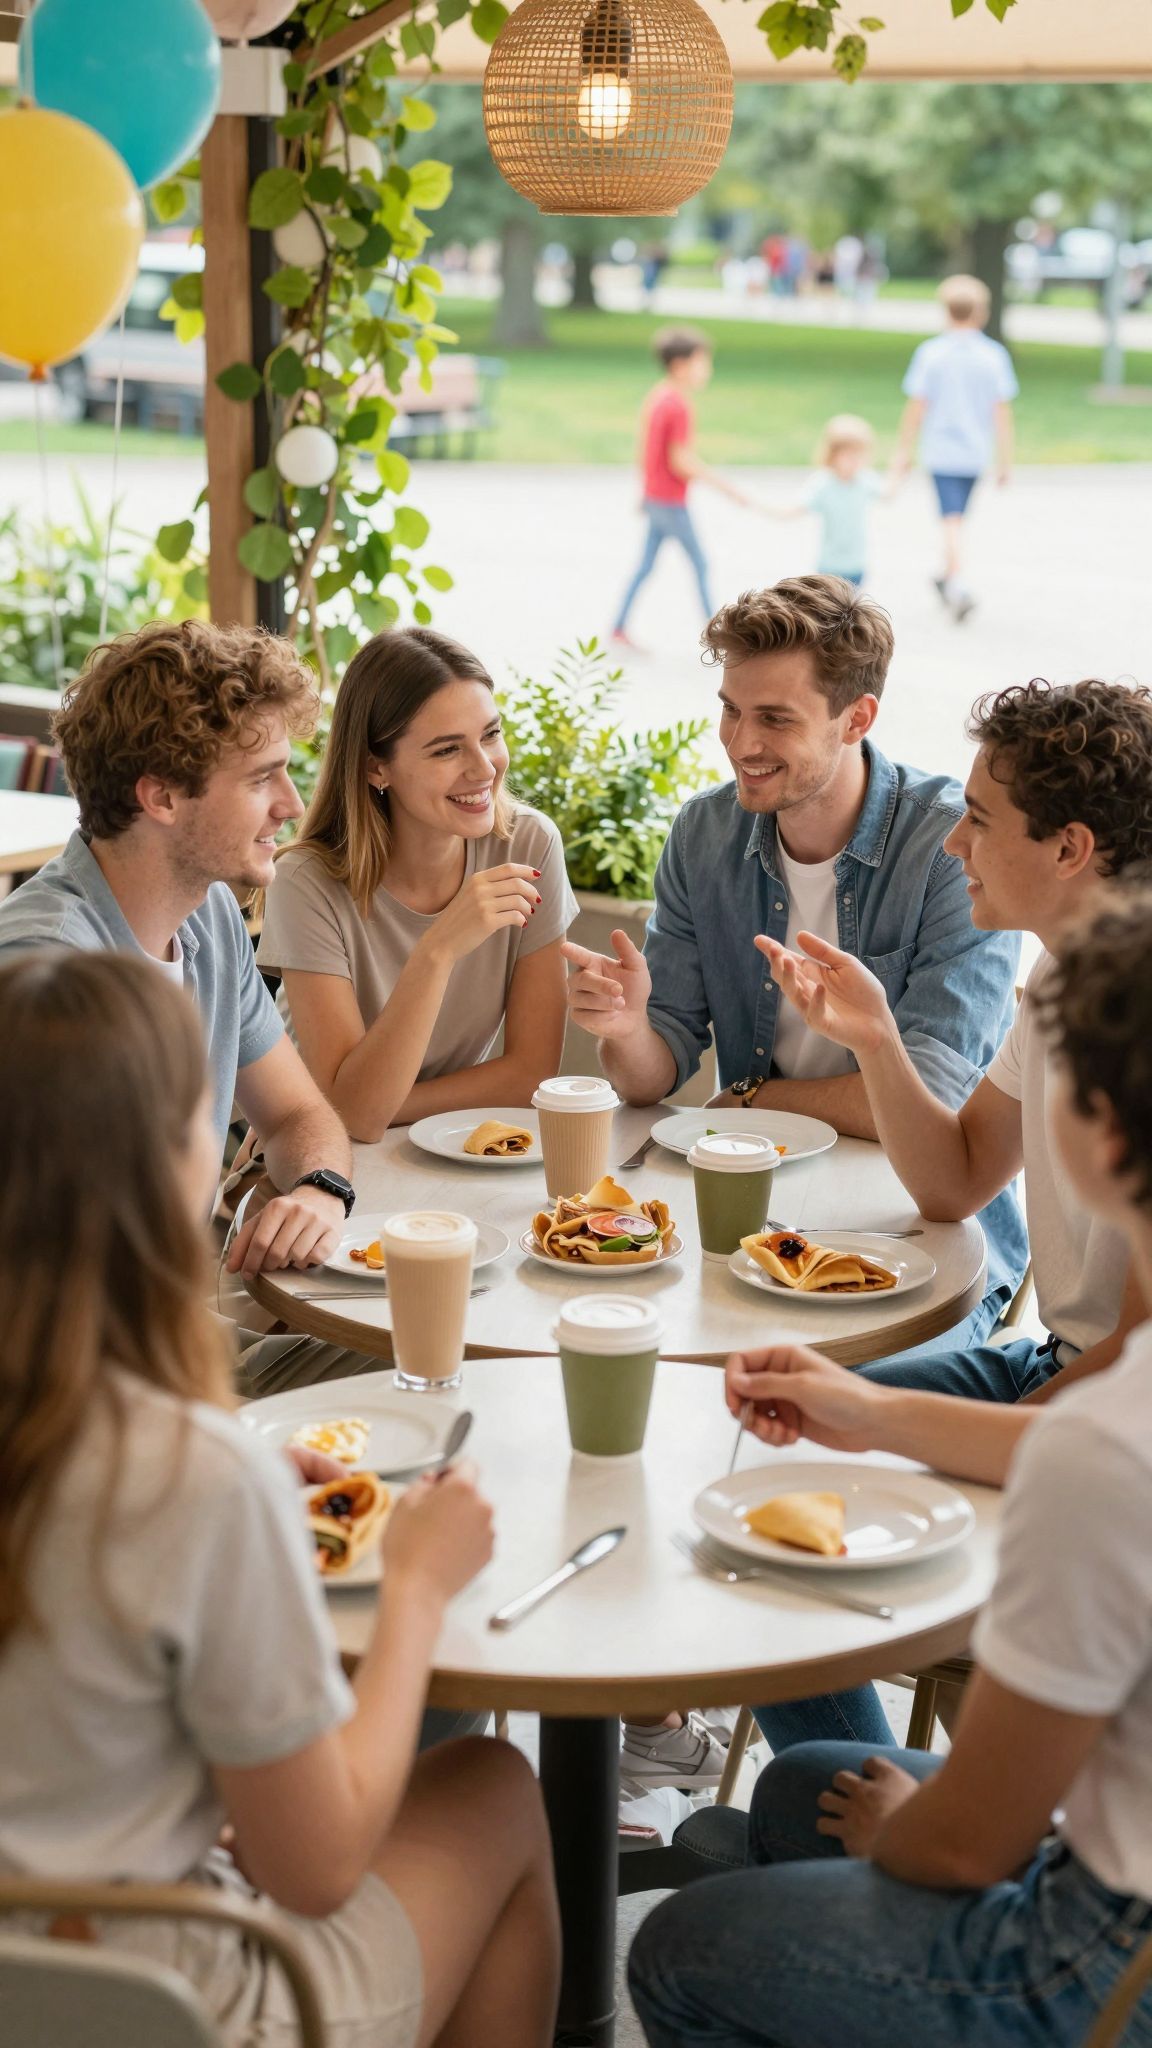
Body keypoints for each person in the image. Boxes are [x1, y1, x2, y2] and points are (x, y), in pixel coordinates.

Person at [0, 950, 560, 2048]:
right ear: (167, 1166)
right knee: (494, 1784)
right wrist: (414, 1587)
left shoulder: (196, 1470)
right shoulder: (193, 1475)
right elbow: (309, 1867)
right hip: (158, 2000)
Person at [629, 893, 1152, 2048]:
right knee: (799, 1782)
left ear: (1104, 1138)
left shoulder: (1103, 1449)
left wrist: (902, 1832)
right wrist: (865, 1410)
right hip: (1107, 1837)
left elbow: (968, 1843)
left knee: (680, 1947)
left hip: (1105, 1952)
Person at [564, 576, 1025, 1789]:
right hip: (751, 1221)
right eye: (730, 711)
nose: (741, 743)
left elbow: (923, 1084)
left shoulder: (949, 847)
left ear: (855, 717)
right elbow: (666, 1059)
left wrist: (753, 1100)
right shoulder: (706, 836)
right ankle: (676, 1720)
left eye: (774, 718)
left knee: (769, 1433)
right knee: (664, 1404)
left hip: (923, 1236)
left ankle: (835, 1792)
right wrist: (619, 1032)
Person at [761, 675, 1152, 1409]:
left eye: (978, 820)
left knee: (808, 1433)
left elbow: (1137, 1369)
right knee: (773, 1411)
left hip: (1108, 1405)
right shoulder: (1060, 978)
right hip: (1054, 1369)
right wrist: (877, 1038)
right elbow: (956, 1183)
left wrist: (892, 1423)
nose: (952, 843)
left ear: (1068, 847)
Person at [0, 620, 365, 1395]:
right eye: (263, 778)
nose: (292, 805)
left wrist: (319, 1190)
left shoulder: (210, 918)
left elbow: (303, 1117)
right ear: (161, 795)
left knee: (438, 1357)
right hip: (78, 1392)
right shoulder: (47, 973)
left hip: (168, 1346)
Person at [256, 627, 576, 1143]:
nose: (484, 768)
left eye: (490, 735)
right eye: (447, 750)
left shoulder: (529, 845)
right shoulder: (306, 882)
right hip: (315, 1157)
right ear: (375, 767)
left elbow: (530, 1075)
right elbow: (353, 1121)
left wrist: (385, 1104)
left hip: (446, 1146)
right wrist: (439, 950)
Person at [611, 327, 753, 653]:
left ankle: (618, 626)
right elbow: (680, 460)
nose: (708, 370)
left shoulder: (659, 395)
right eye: (703, 363)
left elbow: (646, 448)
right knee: (701, 563)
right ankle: (718, 636)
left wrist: (644, 490)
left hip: (657, 498)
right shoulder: (677, 405)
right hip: (670, 501)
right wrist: (728, 489)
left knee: (646, 565)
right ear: (680, 365)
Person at [892, 272, 1017, 622]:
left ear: (945, 311)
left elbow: (917, 406)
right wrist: (1005, 460)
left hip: (941, 450)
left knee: (951, 520)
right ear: (981, 312)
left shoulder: (931, 354)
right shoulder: (994, 356)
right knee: (955, 518)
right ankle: (950, 578)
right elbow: (1001, 412)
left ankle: (955, 582)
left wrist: (904, 449)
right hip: (976, 452)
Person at [761, 414, 886, 587]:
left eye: (859, 455)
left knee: (852, 609)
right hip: (830, 566)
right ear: (833, 455)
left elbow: (887, 494)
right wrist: (762, 507)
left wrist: (900, 471)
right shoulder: (823, 484)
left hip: (857, 564)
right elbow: (795, 509)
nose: (855, 461)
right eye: (849, 455)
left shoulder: (865, 480)